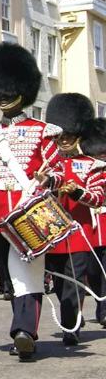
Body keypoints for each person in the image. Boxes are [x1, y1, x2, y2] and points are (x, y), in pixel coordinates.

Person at [0, 42, 63, 362]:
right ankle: (23, 328)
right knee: (10, 278)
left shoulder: (41, 132)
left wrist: (47, 179)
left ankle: (24, 332)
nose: (4, 96)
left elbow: (57, 171)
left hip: (29, 212)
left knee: (28, 274)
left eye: (9, 89)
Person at [44, 94, 105, 346]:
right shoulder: (49, 165)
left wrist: (77, 192)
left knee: (75, 282)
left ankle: (71, 326)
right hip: (53, 233)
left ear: (79, 135)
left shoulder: (92, 166)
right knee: (60, 284)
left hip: (79, 234)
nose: (64, 139)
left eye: (69, 135)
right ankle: (71, 315)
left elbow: (98, 197)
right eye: (61, 135)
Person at [80, 119, 106, 327]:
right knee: (92, 272)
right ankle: (100, 300)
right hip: (88, 226)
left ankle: (104, 310)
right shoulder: (85, 169)